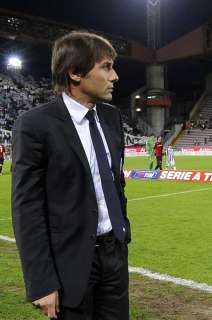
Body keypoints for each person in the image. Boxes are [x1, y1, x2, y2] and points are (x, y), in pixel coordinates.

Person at [11, 31, 130, 319]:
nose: (114, 76)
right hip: (70, 262)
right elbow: (27, 208)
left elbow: (115, 183)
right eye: (105, 67)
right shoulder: (34, 125)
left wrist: (121, 231)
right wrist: (41, 281)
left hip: (114, 254)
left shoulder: (112, 118)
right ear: (75, 73)